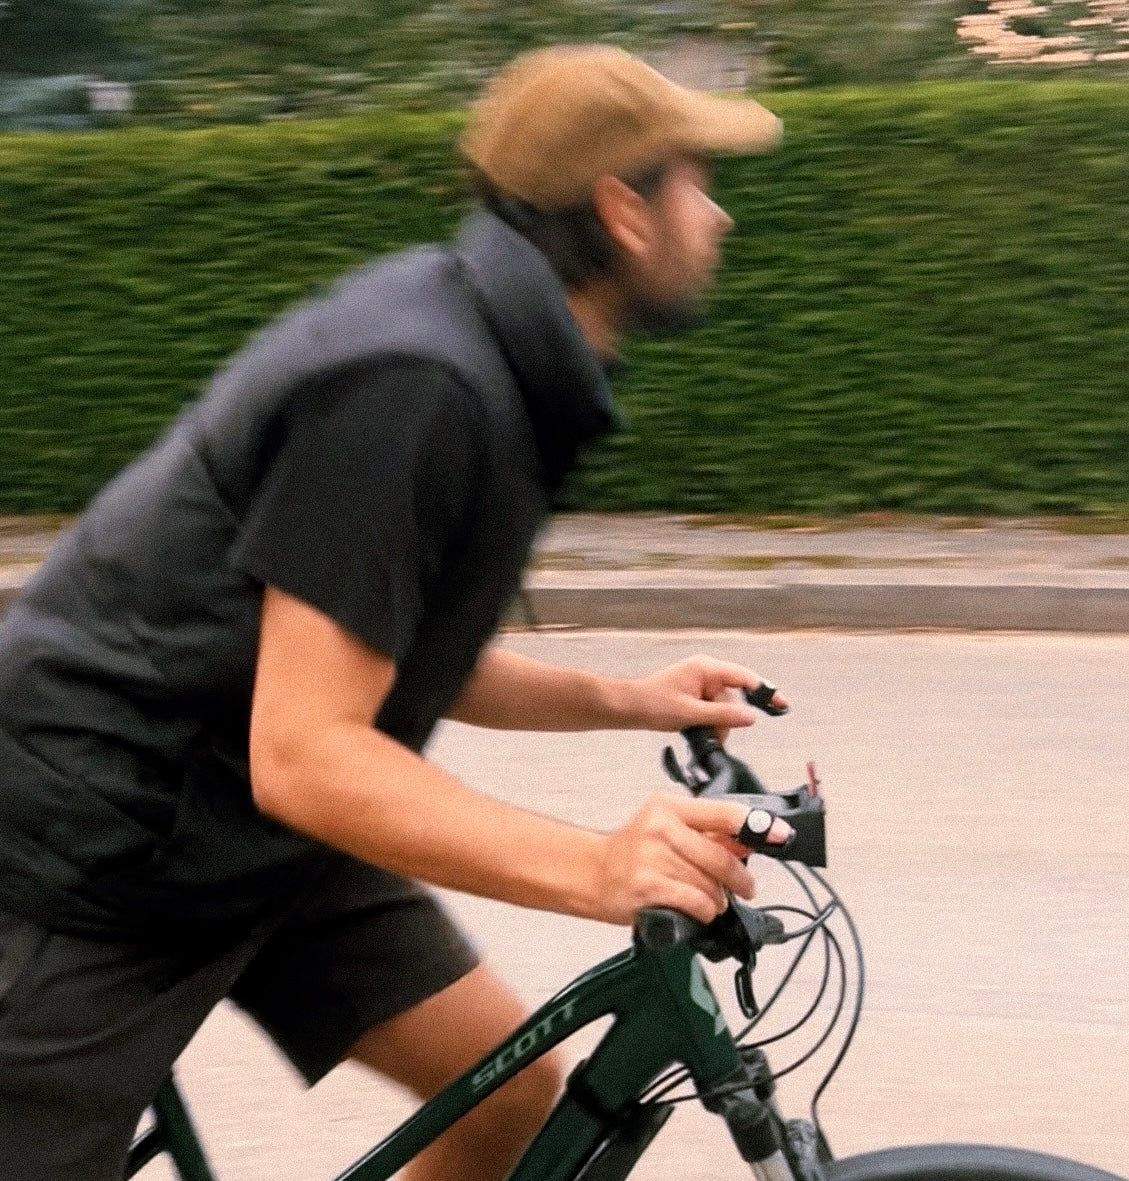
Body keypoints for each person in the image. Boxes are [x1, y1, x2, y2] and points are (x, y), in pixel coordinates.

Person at [0, 44, 786, 1181]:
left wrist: (623, 698)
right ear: (624, 211)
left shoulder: (495, 359)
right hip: (96, 851)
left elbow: (379, 644)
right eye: (696, 185)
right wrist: (596, 866)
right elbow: (307, 752)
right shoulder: (415, 385)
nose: (717, 218)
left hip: (249, 829)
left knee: (508, 1101)